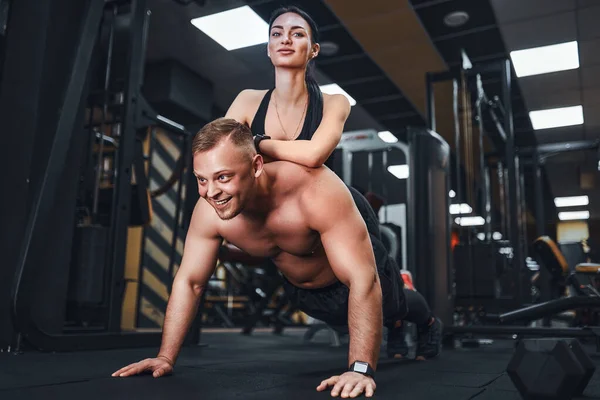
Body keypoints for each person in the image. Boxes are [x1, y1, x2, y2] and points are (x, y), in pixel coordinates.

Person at [112, 119, 443, 398]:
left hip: (353, 267)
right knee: (350, 316)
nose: (210, 192)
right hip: (306, 291)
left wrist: (359, 369)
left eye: (223, 177)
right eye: (202, 179)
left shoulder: (313, 192)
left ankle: (426, 322)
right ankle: (393, 322)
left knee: (394, 304)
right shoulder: (210, 211)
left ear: (256, 166)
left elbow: (361, 280)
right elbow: (191, 281)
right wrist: (165, 356)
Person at [225, 6, 349, 169]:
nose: (286, 40)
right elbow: (221, 154)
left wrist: (257, 142)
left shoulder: (335, 102)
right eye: (277, 34)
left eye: (297, 34)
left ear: (314, 50)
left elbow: (313, 154)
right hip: (263, 194)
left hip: (317, 193)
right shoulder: (247, 100)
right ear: (269, 49)